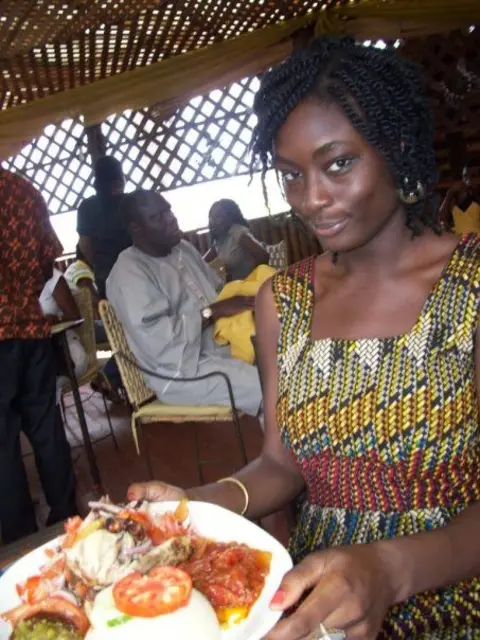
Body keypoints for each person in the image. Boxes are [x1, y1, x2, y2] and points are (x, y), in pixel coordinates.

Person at [127, 37, 480, 639]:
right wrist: (194, 508)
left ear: (396, 147)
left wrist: (385, 570)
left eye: (338, 163)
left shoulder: (471, 286)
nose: (311, 200)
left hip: (449, 605)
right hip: (315, 611)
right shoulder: (282, 302)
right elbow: (280, 465)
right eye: (292, 175)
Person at [106, 190, 262, 417]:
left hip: (222, 346)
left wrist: (243, 302)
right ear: (136, 228)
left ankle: (291, 445)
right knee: (266, 383)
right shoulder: (129, 273)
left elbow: (220, 292)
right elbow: (160, 343)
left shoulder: (184, 250)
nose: (170, 218)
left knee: (285, 360)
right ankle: (289, 450)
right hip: (181, 372)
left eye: (168, 210)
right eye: (158, 217)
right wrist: (213, 312)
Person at [0, 168, 78, 543]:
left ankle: (19, 538)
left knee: (2, 443)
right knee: (46, 427)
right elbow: (49, 259)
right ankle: (67, 518)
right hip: (30, 329)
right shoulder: (22, 190)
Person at [77, 156, 131, 299]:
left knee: (115, 317)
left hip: (106, 275)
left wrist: (98, 264)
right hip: (139, 270)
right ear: (118, 181)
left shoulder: (87, 207)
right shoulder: (131, 202)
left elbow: (85, 245)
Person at [205, 199, 269, 280]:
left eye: (218, 217)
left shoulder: (238, 232)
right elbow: (202, 262)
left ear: (229, 217)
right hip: (235, 286)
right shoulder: (219, 239)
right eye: (211, 217)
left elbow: (263, 256)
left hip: (250, 286)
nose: (213, 222)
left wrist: (253, 279)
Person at [440, 161, 480, 234]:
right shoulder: (455, 197)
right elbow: (441, 219)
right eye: (465, 176)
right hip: (459, 240)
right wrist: (449, 193)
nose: (469, 179)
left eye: (474, 176)